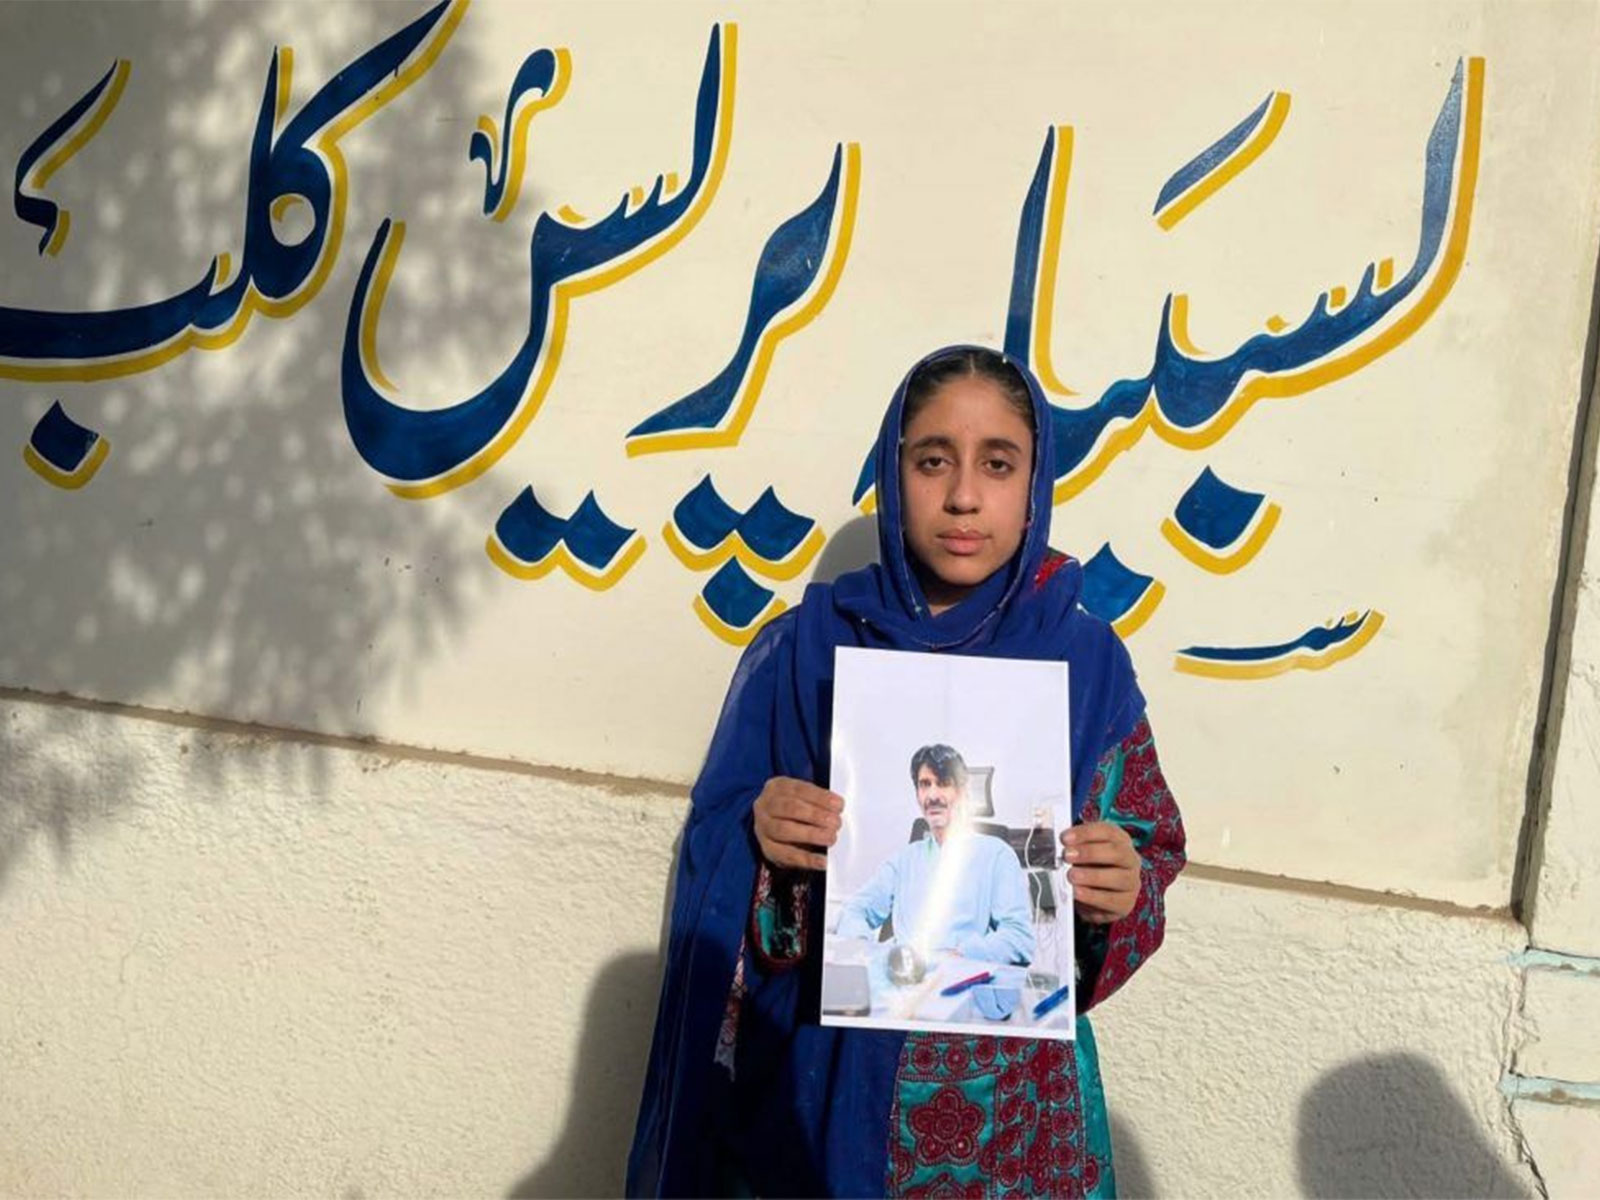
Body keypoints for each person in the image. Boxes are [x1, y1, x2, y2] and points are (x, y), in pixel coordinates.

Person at [628, 345, 1186, 1197]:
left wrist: (1119, 887)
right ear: (895, 473)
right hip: (825, 1090)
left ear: (1034, 481)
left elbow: (1145, 850)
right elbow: (735, 854)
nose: (964, 495)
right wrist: (763, 833)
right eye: (933, 461)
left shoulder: (1085, 663)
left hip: (1016, 1117)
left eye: (998, 464)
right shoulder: (805, 651)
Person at [835, 743, 1035, 965]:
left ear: (962, 792)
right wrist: (868, 951)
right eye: (924, 784)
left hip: (965, 984)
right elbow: (855, 911)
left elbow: (1019, 939)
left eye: (943, 783)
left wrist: (962, 956)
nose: (932, 795)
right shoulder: (902, 862)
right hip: (905, 985)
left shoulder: (997, 855)